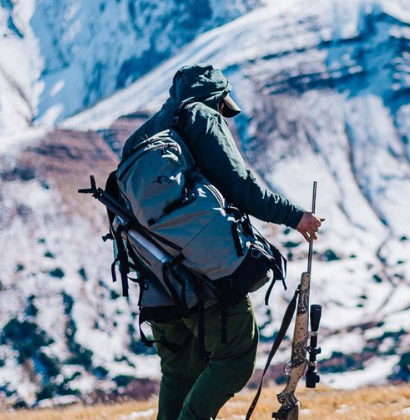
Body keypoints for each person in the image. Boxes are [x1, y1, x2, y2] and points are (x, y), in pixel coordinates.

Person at [122, 64, 324, 420]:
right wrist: (296, 216)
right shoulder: (200, 116)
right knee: (235, 357)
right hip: (206, 277)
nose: (223, 116)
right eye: (223, 108)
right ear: (215, 98)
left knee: (179, 373)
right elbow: (240, 184)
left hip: (156, 282)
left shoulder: (141, 138)